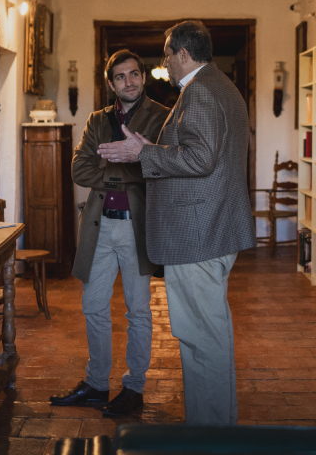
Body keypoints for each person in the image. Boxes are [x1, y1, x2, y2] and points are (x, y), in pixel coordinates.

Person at [97, 21, 256, 425]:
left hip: (198, 233)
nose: (164, 63)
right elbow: (206, 153)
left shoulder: (199, 90)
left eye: (167, 55)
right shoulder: (219, 85)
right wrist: (154, 148)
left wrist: (143, 155)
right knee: (209, 337)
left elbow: (201, 159)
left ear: (183, 54)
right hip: (211, 227)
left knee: (202, 341)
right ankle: (214, 428)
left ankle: (211, 436)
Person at [50, 49, 170, 417]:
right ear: (111, 83)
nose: (128, 82)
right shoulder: (97, 121)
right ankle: (97, 383)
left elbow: (164, 170)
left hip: (138, 227)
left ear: (144, 77)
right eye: (120, 77)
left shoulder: (164, 118)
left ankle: (134, 388)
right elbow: (79, 171)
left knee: (138, 310)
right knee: (94, 306)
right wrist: (130, 166)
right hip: (99, 226)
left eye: (134, 74)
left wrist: (126, 162)